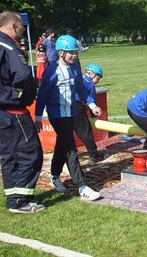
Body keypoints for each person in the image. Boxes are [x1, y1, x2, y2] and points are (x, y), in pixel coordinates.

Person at [35, 35, 100, 201]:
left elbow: (81, 89)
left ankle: (54, 176)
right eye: (71, 52)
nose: (74, 55)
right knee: (71, 148)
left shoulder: (75, 69)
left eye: (75, 52)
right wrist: (37, 117)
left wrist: (92, 104)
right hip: (57, 116)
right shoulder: (51, 71)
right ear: (61, 52)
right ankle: (82, 187)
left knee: (62, 145)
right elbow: (42, 95)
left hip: (71, 113)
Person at [0, 11, 44, 213]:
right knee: (30, 152)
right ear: (14, 26)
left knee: (8, 155)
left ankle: (12, 199)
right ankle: (22, 201)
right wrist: (25, 97)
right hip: (12, 111)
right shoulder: (10, 47)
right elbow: (24, 75)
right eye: (20, 28)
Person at [74, 63, 107, 164]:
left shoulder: (78, 77)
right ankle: (94, 155)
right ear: (93, 74)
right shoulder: (90, 84)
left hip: (64, 105)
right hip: (77, 107)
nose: (97, 81)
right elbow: (92, 100)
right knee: (86, 132)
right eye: (98, 78)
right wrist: (93, 115)